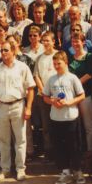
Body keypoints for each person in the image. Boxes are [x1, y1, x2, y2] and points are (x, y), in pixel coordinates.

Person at [0, 41, 35, 182]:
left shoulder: (22, 67)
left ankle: (21, 169)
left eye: (6, 50)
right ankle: (5, 170)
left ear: (13, 51)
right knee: (3, 140)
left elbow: (30, 88)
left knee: (20, 140)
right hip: (1, 106)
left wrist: (29, 108)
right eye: (2, 50)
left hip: (18, 106)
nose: (3, 53)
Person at [43, 51, 86, 184]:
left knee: (74, 146)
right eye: (54, 64)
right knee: (60, 147)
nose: (56, 66)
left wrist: (69, 102)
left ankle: (78, 171)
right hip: (56, 118)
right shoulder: (51, 79)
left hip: (71, 117)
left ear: (66, 62)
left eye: (59, 63)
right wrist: (52, 102)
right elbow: (45, 97)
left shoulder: (73, 78)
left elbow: (82, 95)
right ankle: (65, 172)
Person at [68, 32, 92, 155]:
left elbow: (89, 74)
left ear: (83, 42)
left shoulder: (89, 57)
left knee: (88, 125)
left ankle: (91, 150)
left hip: (86, 95)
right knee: (76, 125)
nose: (75, 44)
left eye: (77, 41)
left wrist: (75, 84)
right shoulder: (70, 58)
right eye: (73, 42)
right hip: (72, 96)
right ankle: (78, 150)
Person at [33, 31, 57, 159]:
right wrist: (44, 92)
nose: (45, 43)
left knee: (58, 124)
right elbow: (36, 76)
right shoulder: (39, 58)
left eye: (48, 40)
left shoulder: (59, 55)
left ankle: (59, 150)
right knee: (46, 125)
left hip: (58, 96)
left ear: (53, 41)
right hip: (43, 96)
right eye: (44, 40)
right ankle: (49, 151)